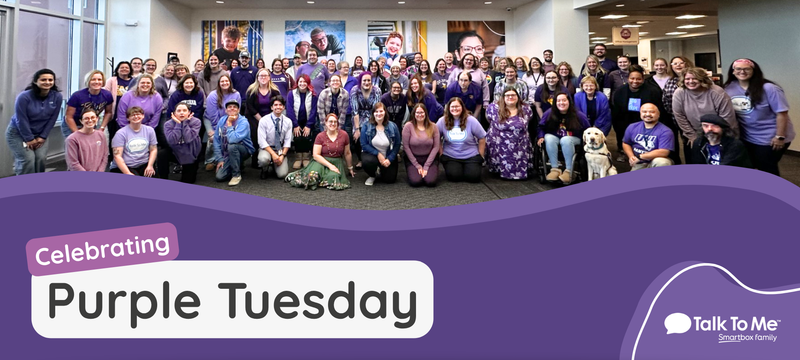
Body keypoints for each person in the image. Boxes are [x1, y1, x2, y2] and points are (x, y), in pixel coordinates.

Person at [723, 58, 794, 175]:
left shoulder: (769, 88)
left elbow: (782, 113)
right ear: (733, 71)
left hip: (770, 138)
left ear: (754, 70)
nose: (742, 72)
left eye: (746, 69)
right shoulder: (729, 88)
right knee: (747, 165)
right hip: (746, 136)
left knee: (766, 168)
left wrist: (780, 137)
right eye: (738, 69)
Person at [672, 67, 737, 163]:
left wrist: (716, 136)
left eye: (695, 78)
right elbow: (679, 116)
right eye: (687, 79)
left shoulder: (717, 92)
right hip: (694, 134)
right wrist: (692, 136)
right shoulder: (679, 93)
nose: (691, 81)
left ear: (702, 79)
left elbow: (727, 117)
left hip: (720, 133)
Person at [5, 69, 62, 175]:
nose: (47, 82)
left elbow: (53, 118)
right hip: (18, 133)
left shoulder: (57, 96)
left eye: (50, 80)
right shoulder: (24, 97)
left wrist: (43, 136)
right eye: (43, 79)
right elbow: (21, 119)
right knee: (28, 160)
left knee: (40, 158)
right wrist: (29, 139)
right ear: (36, 81)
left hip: (40, 134)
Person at [285, 113, 355, 190]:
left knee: (333, 177)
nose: (333, 124)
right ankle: (318, 179)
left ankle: (321, 180)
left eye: (335, 122)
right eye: (330, 121)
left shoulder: (344, 135)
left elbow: (347, 153)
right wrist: (330, 166)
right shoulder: (320, 136)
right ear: (326, 123)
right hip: (320, 161)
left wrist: (350, 168)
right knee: (312, 176)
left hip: (336, 161)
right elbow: (316, 155)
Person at [611, 65, 665, 162]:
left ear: (643, 79)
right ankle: (624, 152)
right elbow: (616, 111)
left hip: (647, 121)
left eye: (638, 79)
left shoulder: (653, 91)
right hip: (624, 121)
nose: (635, 81)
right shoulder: (620, 91)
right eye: (632, 78)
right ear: (628, 79)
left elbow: (658, 109)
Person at [537, 93, 590, 184]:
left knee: (565, 140)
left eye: (564, 100)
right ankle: (555, 169)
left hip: (574, 139)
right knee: (548, 137)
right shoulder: (549, 113)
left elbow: (588, 130)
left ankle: (569, 171)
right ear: (555, 102)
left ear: (569, 101)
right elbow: (541, 126)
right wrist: (541, 136)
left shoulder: (578, 115)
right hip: (556, 137)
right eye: (559, 101)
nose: (561, 103)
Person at [487, 88, 534, 180]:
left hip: (520, 141)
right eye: (508, 95)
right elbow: (489, 120)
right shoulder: (493, 108)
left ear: (518, 97)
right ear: (503, 97)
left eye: (513, 95)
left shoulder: (526, 108)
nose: (510, 97)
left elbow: (528, 121)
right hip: (499, 140)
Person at [437, 97, 486, 183]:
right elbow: (436, 138)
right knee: (454, 177)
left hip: (471, 155)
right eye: (452, 107)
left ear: (462, 107)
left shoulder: (471, 120)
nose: (454, 109)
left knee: (473, 178)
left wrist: (481, 155)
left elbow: (482, 137)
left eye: (457, 106)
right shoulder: (442, 121)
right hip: (451, 155)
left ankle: (469, 168)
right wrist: (441, 154)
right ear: (448, 108)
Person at [244, 68, 281, 168]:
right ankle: (255, 159)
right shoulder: (251, 90)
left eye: (265, 75)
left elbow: (277, 105)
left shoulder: (275, 91)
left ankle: (272, 157)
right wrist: (260, 119)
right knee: (256, 134)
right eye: (261, 76)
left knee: (271, 134)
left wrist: (268, 120)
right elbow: (249, 106)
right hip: (254, 117)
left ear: (269, 77)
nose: (263, 77)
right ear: (257, 78)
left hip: (271, 117)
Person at [204, 74, 241, 170]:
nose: (225, 83)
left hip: (230, 120)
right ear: (219, 84)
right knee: (213, 137)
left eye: (226, 81)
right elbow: (212, 115)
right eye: (222, 81)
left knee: (230, 137)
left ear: (230, 82)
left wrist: (228, 127)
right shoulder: (213, 95)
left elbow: (236, 111)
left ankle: (227, 159)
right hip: (211, 120)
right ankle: (210, 160)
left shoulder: (236, 94)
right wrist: (217, 131)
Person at [622, 103, 675, 171]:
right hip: (639, 163)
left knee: (662, 162)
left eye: (652, 112)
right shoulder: (632, 127)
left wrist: (640, 157)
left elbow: (664, 152)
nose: (648, 114)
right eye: (644, 111)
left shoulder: (666, 131)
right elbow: (626, 143)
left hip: (656, 161)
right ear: (640, 113)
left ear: (658, 114)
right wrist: (631, 157)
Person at [63, 70, 114, 139]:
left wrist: (102, 128)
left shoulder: (107, 95)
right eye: (93, 79)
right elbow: (68, 117)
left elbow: (108, 112)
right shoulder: (77, 96)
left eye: (99, 79)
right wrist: (77, 133)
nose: (96, 82)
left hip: (93, 123)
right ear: (88, 81)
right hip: (74, 124)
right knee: (77, 146)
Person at [213, 100, 254, 186]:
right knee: (220, 177)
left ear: (238, 110)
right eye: (229, 107)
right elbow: (216, 140)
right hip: (226, 153)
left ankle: (236, 175)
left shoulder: (243, 122)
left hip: (244, 150)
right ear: (226, 110)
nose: (232, 108)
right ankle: (237, 164)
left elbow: (232, 140)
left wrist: (229, 123)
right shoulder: (221, 120)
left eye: (235, 107)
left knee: (232, 146)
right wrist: (220, 159)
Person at [361, 102, 401, 185]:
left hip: (388, 155)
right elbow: (364, 145)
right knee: (368, 161)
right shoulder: (366, 126)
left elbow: (397, 144)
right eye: (376, 112)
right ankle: (372, 175)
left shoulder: (393, 126)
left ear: (385, 112)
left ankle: (381, 168)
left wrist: (390, 159)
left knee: (390, 180)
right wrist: (378, 154)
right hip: (372, 155)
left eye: (381, 111)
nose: (379, 114)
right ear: (373, 113)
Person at [110, 106, 158, 177]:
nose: (136, 116)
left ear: (143, 116)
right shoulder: (120, 134)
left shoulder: (150, 130)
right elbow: (117, 156)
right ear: (128, 118)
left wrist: (150, 166)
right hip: (126, 166)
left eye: (138, 114)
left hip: (143, 164)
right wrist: (127, 173)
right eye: (132, 115)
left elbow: (153, 149)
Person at [163, 102, 202, 183]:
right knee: (161, 154)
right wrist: (178, 124)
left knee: (188, 181)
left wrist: (185, 123)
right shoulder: (168, 124)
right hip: (176, 151)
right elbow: (172, 141)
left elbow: (188, 139)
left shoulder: (196, 122)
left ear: (189, 113)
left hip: (191, 152)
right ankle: (163, 177)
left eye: (184, 110)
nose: (181, 113)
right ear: (174, 113)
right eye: (179, 110)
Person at [351, 71, 382, 169]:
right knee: (357, 137)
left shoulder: (377, 90)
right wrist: (357, 129)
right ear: (360, 81)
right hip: (358, 116)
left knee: (373, 134)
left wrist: (374, 125)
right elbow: (355, 111)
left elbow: (376, 109)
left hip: (373, 116)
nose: (367, 82)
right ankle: (360, 159)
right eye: (364, 80)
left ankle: (374, 158)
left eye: (369, 80)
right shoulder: (354, 90)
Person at [286, 74, 319, 169]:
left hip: (308, 121)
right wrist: (295, 124)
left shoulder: (313, 93)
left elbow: (314, 110)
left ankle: (306, 157)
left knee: (306, 137)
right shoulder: (291, 93)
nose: (302, 83)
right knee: (297, 137)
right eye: (300, 81)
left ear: (308, 83)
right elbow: (289, 109)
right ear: (297, 83)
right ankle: (298, 158)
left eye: (304, 82)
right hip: (295, 120)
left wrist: (309, 125)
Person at [403, 103, 440, 187]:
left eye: (422, 112)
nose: (420, 115)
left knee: (430, 182)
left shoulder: (433, 126)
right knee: (415, 182)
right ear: (414, 114)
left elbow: (436, 147)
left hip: (430, 158)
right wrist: (417, 165)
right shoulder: (408, 126)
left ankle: (431, 170)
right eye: (417, 112)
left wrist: (426, 166)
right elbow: (406, 147)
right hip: (413, 158)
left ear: (425, 113)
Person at [257, 96, 293, 179]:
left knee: (282, 175)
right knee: (263, 160)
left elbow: (287, 141)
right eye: (275, 105)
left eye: (280, 105)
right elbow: (261, 141)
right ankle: (265, 169)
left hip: (280, 149)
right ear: (271, 107)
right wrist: (273, 154)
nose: (278, 107)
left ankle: (275, 165)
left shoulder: (288, 121)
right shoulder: (264, 120)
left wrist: (282, 156)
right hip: (267, 148)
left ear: (283, 107)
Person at [104, 61, 134, 145]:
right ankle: (113, 156)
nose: (124, 69)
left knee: (128, 136)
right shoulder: (112, 80)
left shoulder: (134, 80)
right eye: (122, 67)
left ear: (130, 70)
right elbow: (106, 93)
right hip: (114, 113)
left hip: (129, 113)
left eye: (126, 67)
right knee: (113, 136)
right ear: (117, 69)